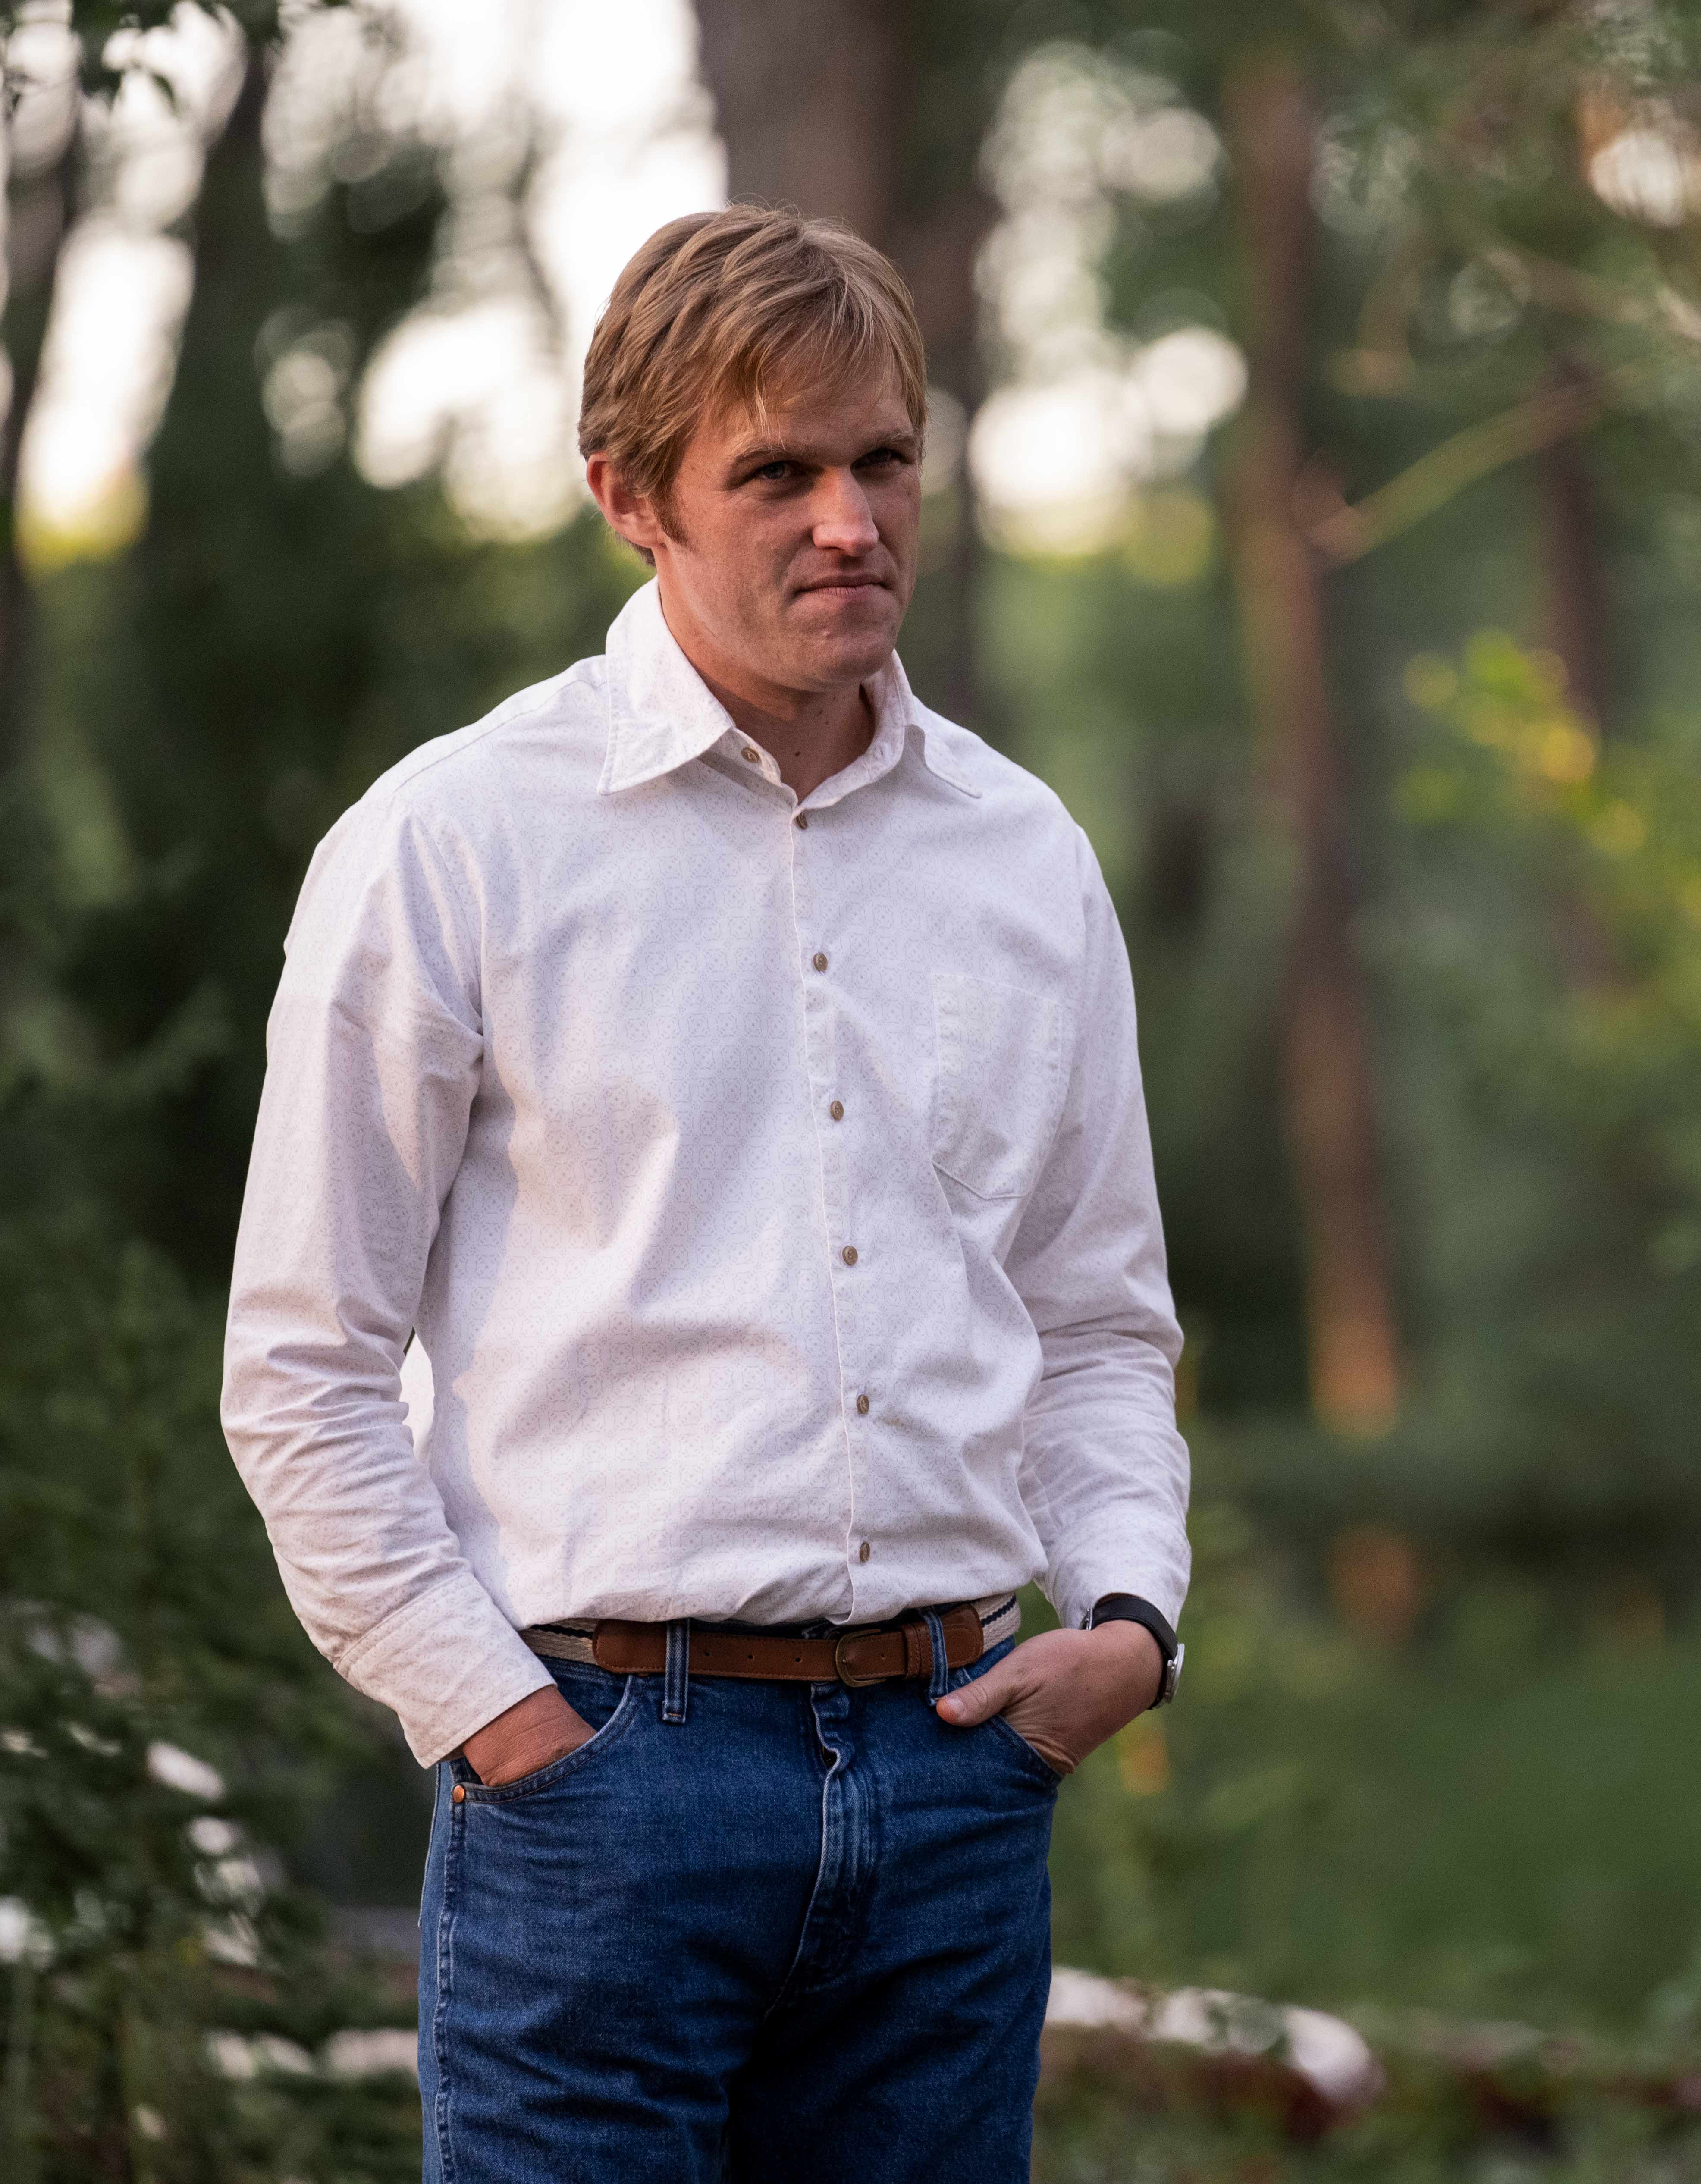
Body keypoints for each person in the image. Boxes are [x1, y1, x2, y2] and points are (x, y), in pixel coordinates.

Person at [218, 204, 1190, 2182]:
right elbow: (304, 1369)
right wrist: (502, 1728)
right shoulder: (454, 844)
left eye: (884, 461)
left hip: (957, 1774)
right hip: (601, 1785)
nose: (851, 519)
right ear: (630, 498)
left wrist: (1127, 1624)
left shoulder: (1024, 856)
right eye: (780, 472)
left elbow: (1096, 1322)